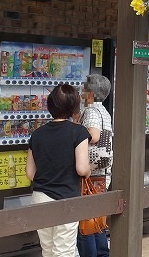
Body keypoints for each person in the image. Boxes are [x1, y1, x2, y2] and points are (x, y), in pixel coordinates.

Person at [26, 83, 91, 257]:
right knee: (64, 251)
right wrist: (88, 171)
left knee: (47, 250)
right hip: (66, 198)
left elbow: (30, 173)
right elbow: (82, 168)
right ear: (74, 107)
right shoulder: (79, 132)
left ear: (50, 105)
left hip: (39, 197)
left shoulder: (37, 134)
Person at [77, 75, 113, 257]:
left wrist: (75, 133)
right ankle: (102, 254)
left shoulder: (91, 111)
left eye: (84, 90)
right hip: (103, 172)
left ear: (90, 94)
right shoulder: (103, 111)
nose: (82, 94)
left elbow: (94, 135)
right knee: (97, 221)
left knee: (86, 224)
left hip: (92, 174)